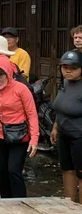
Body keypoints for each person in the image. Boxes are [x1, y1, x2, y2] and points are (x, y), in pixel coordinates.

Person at [0, 54, 39, 198]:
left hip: (19, 137)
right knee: (1, 173)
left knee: (14, 170)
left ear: (8, 72)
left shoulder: (21, 89)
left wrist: (34, 139)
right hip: (0, 137)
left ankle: (20, 205)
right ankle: (5, 205)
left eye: (0, 74)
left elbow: (32, 114)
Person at [50, 50, 82, 204]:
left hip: (80, 137)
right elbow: (61, 108)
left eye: (73, 68)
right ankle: (69, 205)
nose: (68, 71)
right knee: (67, 169)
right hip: (63, 134)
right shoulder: (65, 83)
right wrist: (55, 127)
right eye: (65, 67)